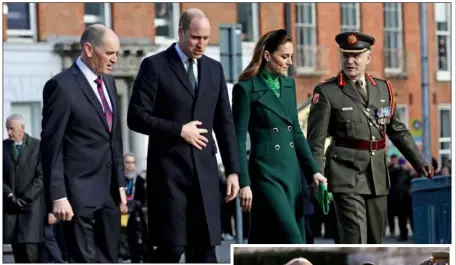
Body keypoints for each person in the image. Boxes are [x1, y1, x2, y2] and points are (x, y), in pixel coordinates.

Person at [127, 8, 240, 263]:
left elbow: (224, 123)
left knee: (205, 252)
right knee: (171, 249)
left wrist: (233, 171)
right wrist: (178, 130)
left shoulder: (214, 69)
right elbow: (135, 116)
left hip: (206, 175)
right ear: (180, 32)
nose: (201, 44)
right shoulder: (154, 66)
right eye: (195, 37)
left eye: (206, 38)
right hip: (169, 174)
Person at [306, 31, 433, 244]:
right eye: (346, 56)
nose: (351, 61)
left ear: (368, 58)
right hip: (345, 175)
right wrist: (316, 177)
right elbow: (316, 141)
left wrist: (419, 162)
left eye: (356, 56)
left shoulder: (383, 89)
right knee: (355, 239)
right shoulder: (327, 91)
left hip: (376, 175)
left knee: (376, 241)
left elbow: (397, 130)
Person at [40, 24, 127, 262]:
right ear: (89, 49)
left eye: (117, 53)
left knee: (110, 258)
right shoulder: (62, 86)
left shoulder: (108, 83)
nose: (115, 60)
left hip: (108, 195)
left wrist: (119, 184)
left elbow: (113, 138)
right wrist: (58, 196)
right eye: (109, 53)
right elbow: (52, 146)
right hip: (77, 197)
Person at [231, 29, 327, 244]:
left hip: (291, 173)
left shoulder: (289, 84)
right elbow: (237, 138)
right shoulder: (245, 89)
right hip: (265, 172)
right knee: (293, 239)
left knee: (264, 237)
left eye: (291, 56)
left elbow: (295, 132)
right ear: (266, 56)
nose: (289, 62)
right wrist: (243, 182)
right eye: (284, 56)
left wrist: (315, 171)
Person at [3, 114, 44, 263]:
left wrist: (26, 197)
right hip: (12, 212)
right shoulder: (3, 147)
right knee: (18, 256)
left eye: (12, 129)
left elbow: (41, 176)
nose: (9, 132)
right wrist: (10, 196)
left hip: (32, 211)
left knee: (31, 254)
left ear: (22, 127)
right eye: (7, 129)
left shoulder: (37, 146)